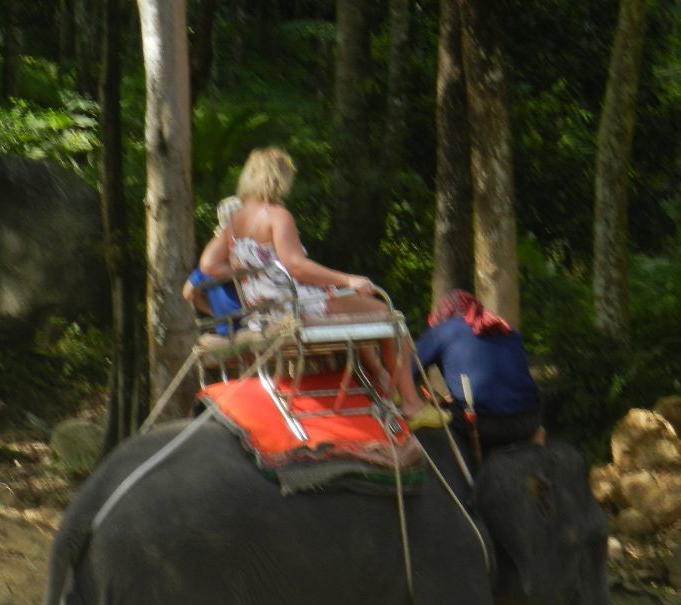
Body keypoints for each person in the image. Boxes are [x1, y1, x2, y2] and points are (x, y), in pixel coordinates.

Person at [202, 146, 442, 426]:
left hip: (263, 313)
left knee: (363, 313)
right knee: (391, 317)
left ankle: (384, 386)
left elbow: (208, 265)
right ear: (279, 179)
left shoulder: (234, 220)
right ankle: (412, 404)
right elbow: (296, 266)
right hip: (296, 306)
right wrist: (348, 280)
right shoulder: (277, 215)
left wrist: (250, 272)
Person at [415, 289, 545, 449]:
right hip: (530, 420)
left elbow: (406, 370)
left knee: (428, 422)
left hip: (483, 423)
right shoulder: (506, 329)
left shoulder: (442, 331)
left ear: (442, 313)